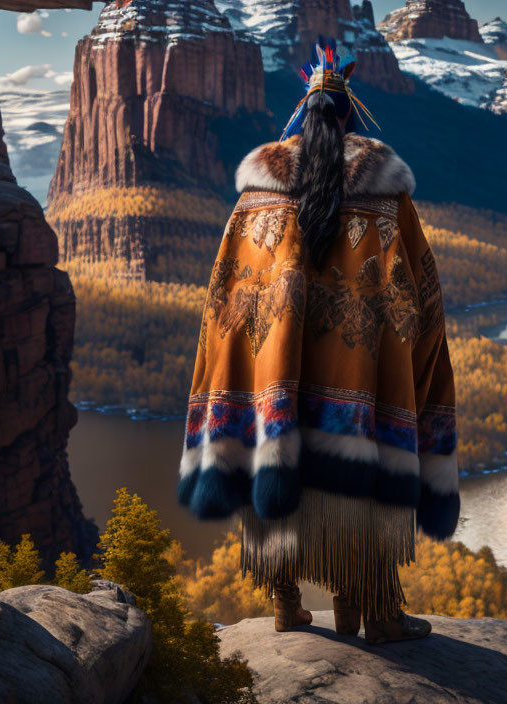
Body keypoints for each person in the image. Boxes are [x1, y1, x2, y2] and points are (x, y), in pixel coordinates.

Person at [176, 38, 459, 644]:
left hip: (269, 383)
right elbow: (422, 302)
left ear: (300, 118)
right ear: (352, 117)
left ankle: (285, 604)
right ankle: (375, 610)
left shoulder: (253, 201)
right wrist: (419, 370)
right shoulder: (387, 197)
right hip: (362, 382)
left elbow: (223, 307)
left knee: (278, 470)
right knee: (364, 486)